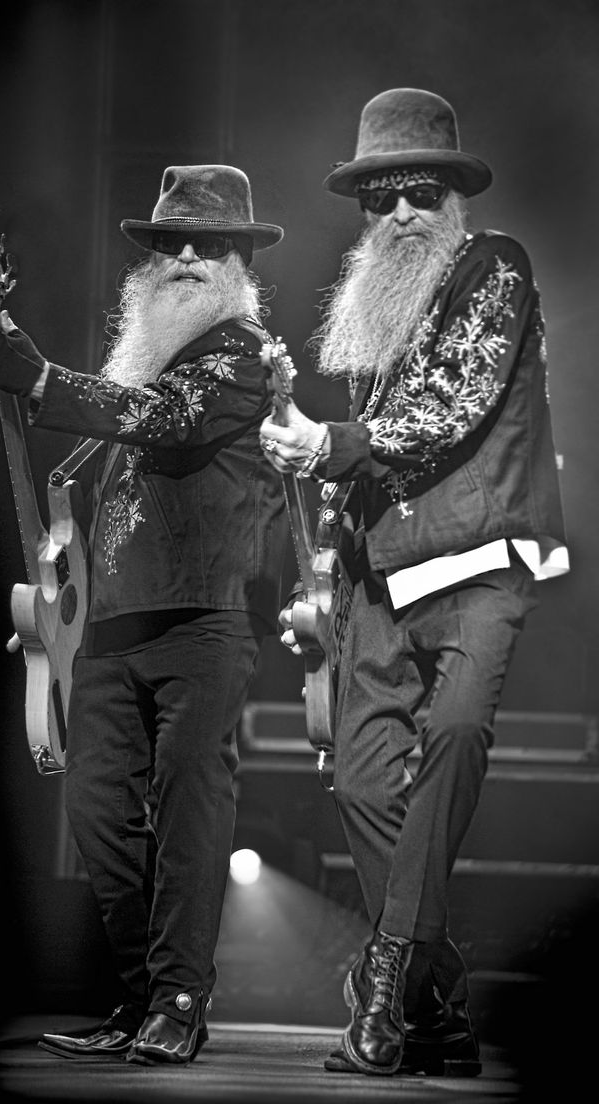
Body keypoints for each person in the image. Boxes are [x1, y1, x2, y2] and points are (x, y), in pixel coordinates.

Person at [259, 88, 569, 1078]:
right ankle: (435, 1000)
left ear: (453, 199)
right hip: (381, 577)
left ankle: (385, 986)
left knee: (455, 732)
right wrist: (320, 571)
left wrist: (330, 442)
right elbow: (361, 471)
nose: (398, 213)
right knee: (353, 774)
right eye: (380, 199)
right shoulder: (370, 317)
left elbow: (453, 404)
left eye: (418, 194)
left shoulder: (497, 269)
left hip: (480, 563)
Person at [0, 164, 288, 1064]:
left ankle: (181, 998)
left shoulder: (242, 355)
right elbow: (111, 488)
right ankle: (140, 996)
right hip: (109, 631)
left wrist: (41, 384)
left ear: (237, 262)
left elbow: (170, 419)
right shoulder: (138, 363)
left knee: (187, 812)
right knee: (99, 809)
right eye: (170, 244)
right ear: (145, 267)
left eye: (208, 244)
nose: (186, 257)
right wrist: (57, 609)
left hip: (202, 622)